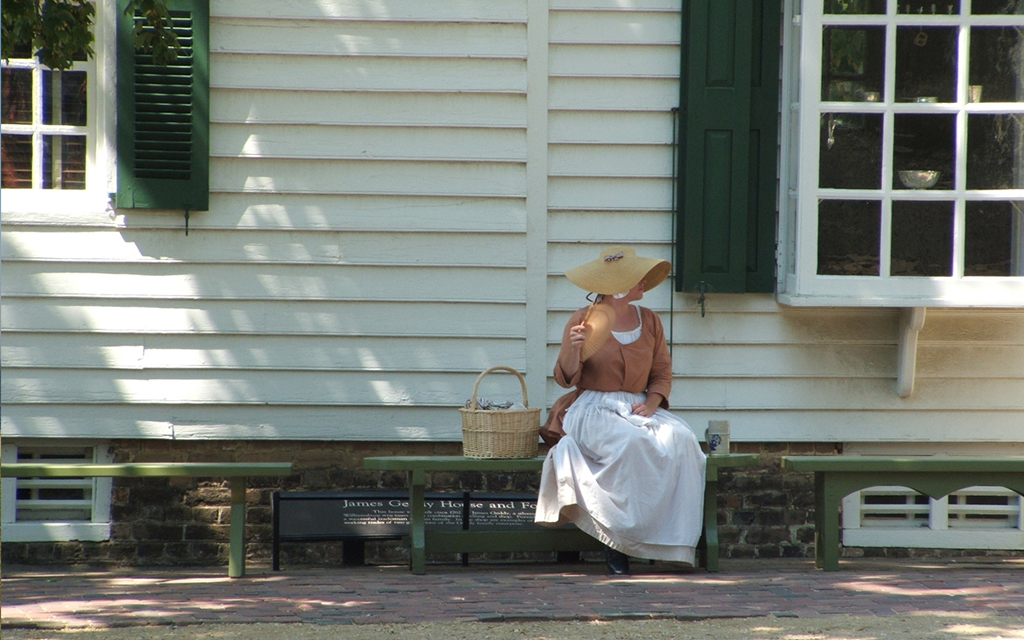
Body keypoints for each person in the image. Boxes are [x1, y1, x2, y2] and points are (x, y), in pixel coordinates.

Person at [535, 246, 707, 575]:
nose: (644, 282)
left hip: (638, 406)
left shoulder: (650, 320)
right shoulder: (583, 319)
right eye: (636, 277)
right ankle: (617, 544)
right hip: (592, 407)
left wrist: (652, 403)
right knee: (629, 444)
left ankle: (667, 540)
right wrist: (573, 348)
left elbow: (662, 372)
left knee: (683, 440)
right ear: (617, 285)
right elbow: (565, 378)